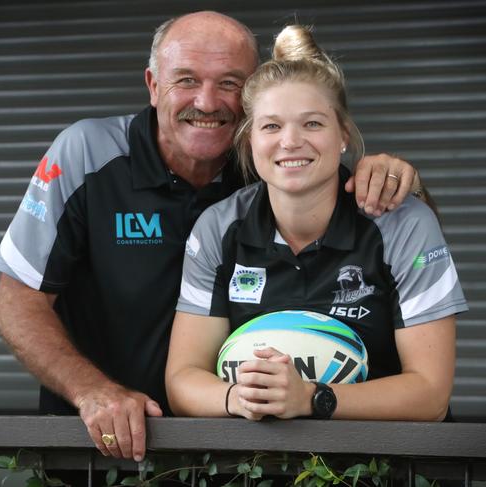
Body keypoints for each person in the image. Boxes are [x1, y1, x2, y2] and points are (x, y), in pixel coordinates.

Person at [0, 11, 422, 462]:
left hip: (234, 455)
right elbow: (18, 302)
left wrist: (387, 176)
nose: (208, 101)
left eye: (230, 84)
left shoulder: (268, 163)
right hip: (105, 449)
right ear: (153, 85)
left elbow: (349, 189)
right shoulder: (87, 154)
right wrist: (93, 391)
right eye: (186, 80)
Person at [166, 24, 468, 422]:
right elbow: (182, 381)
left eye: (312, 123)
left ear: (343, 134)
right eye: (271, 126)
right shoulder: (217, 228)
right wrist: (239, 399)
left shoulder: (403, 223)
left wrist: (312, 399)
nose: (290, 141)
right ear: (249, 141)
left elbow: (431, 396)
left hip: (381, 469)